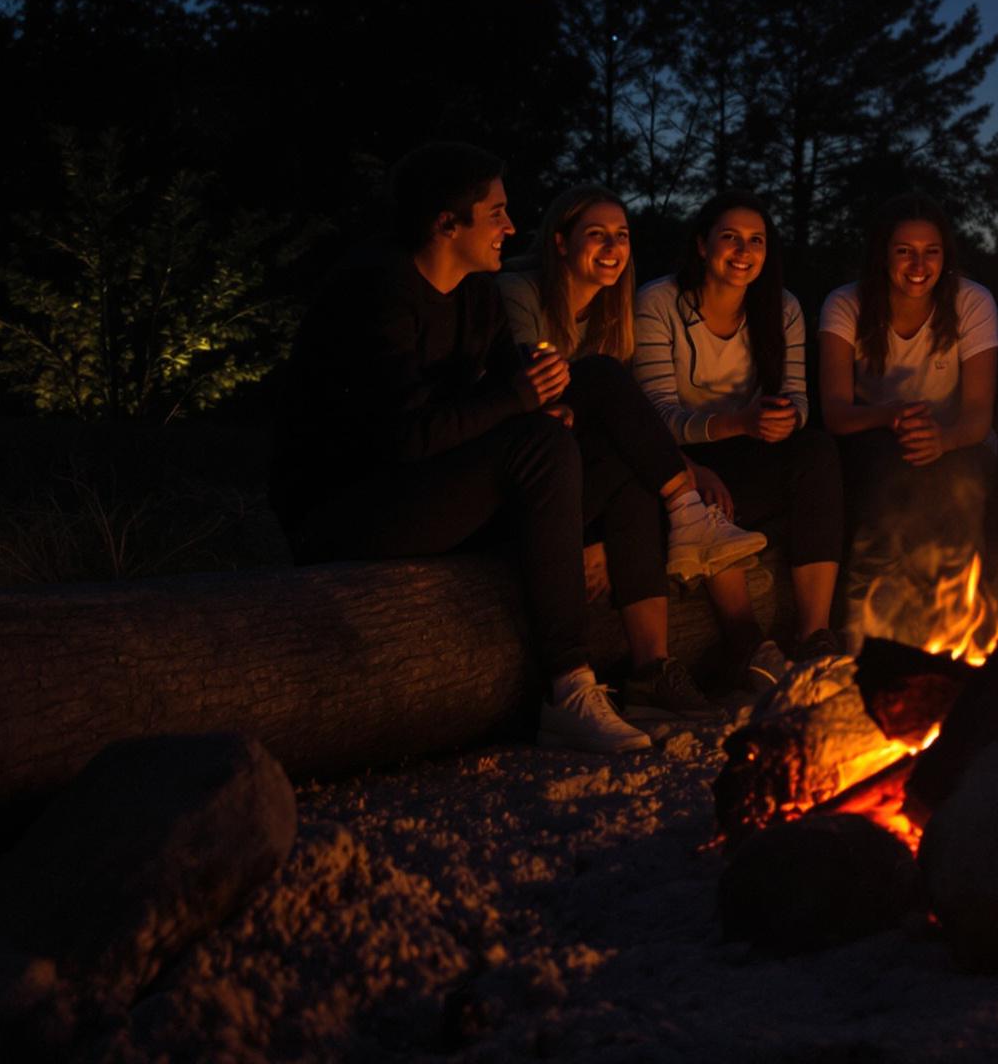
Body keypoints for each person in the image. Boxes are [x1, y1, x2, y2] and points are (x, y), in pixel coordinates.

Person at [269, 142, 646, 754]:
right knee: (539, 444)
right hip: (351, 512)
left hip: (431, 487)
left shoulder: (475, 291)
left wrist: (544, 391)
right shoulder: (375, 292)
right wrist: (521, 401)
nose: (511, 226)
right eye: (495, 213)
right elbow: (402, 437)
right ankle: (568, 687)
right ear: (448, 224)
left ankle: (678, 519)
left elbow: (506, 381)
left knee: (596, 387)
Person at [499, 183, 773, 718]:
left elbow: (626, 426)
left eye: (621, 236)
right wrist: (584, 534)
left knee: (634, 473)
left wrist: (687, 469)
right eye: (595, 234)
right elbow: (538, 404)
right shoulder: (517, 292)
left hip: (584, 479)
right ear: (560, 242)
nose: (612, 247)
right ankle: (687, 514)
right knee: (598, 379)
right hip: (523, 480)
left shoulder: (610, 315)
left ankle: (652, 672)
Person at [633, 192, 845, 662]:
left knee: (816, 451)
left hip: (748, 451)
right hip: (676, 460)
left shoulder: (781, 307)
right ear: (703, 246)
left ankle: (815, 633)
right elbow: (655, 418)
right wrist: (738, 423)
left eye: (756, 241)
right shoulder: (659, 302)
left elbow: (799, 399)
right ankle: (745, 644)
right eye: (730, 238)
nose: (744, 252)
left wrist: (785, 419)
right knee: (701, 498)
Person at [818, 193, 998, 646]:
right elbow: (836, 413)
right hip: (871, 435)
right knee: (887, 471)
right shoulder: (845, 305)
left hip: (954, 437)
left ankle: (955, 626)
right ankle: (860, 628)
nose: (918, 264)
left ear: (945, 257)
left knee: (961, 480)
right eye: (904, 251)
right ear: (884, 255)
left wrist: (943, 439)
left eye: (930, 252)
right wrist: (893, 416)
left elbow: (978, 415)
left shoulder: (972, 302)